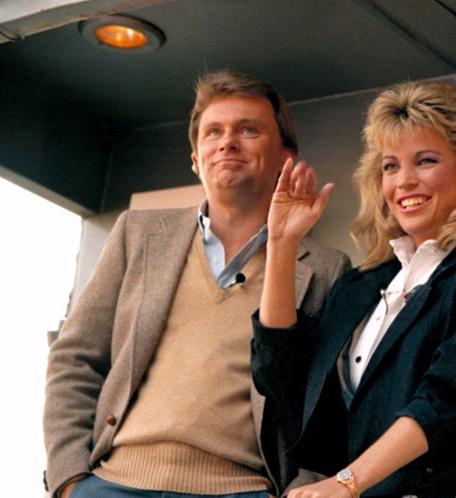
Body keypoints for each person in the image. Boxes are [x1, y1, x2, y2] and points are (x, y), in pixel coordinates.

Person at [251, 80, 456, 497]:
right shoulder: (361, 286)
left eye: (426, 160)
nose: (405, 181)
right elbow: (283, 383)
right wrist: (280, 243)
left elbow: (453, 396)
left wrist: (347, 483)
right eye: (391, 166)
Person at [43, 70, 351, 498]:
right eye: (213, 132)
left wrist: (304, 487)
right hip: (114, 482)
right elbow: (76, 357)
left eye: (248, 129)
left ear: (285, 156)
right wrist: (70, 480)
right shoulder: (137, 233)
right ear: (196, 158)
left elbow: (325, 405)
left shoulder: (327, 268)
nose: (227, 142)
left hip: (244, 489)